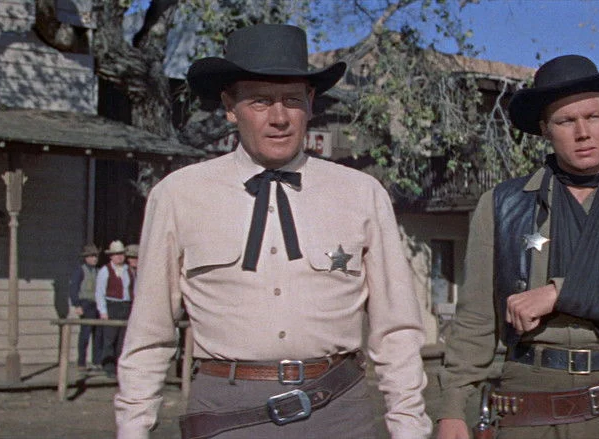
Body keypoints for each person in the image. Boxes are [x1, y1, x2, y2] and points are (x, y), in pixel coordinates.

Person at [114, 24, 432, 438]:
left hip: (339, 412)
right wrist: (133, 428)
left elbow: (396, 330)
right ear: (230, 107)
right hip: (227, 414)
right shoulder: (178, 195)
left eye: (292, 101)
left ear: (311, 104)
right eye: (260, 101)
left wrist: (409, 426)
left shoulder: (361, 193)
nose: (279, 118)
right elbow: (149, 333)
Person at [435, 55, 599, 439]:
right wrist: (452, 408)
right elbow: (475, 320)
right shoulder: (503, 204)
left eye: (592, 117)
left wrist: (559, 294)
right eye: (566, 121)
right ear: (544, 129)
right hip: (527, 403)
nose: (582, 133)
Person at [96, 240, 135, 379]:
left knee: (123, 339)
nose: (119, 257)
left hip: (126, 306)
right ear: (111, 256)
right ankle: (108, 366)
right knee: (109, 339)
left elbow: (134, 290)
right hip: (112, 305)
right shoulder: (105, 270)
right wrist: (103, 311)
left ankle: (120, 367)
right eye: (116, 254)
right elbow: (99, 292)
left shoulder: (129, 270)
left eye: (121, 254)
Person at [68, 244, 103, 372]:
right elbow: (74, 288)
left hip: (97, 304)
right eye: (92, 256)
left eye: (96, 256)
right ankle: (81, 362)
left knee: (98, 334)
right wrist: (77, 304)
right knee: (85, 333)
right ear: (86, 258)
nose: (94, 259)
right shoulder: (80, 270)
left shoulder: (99, 271)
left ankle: (97, 361)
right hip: (86, 304)